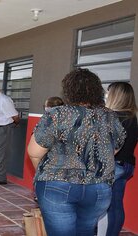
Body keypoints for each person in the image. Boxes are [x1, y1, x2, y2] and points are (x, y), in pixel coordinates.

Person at [27, 68, 126, 236]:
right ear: (97, 90)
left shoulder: (57, 114)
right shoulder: (110, 116)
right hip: (98, 189)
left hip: (57, 185)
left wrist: (45, 174)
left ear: (68, 90)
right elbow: (115, 147)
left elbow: (34, 152)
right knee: (85, 231)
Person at [97, 82, 138, 236]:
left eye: (109, 92)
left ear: (115, 95)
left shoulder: (114, 117)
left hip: (115, 166)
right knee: (116, 205)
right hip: (126, 165)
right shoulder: (131, 117)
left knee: (106, 207)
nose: (106, 95)